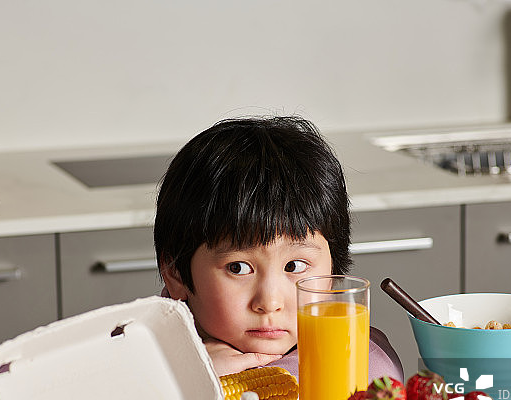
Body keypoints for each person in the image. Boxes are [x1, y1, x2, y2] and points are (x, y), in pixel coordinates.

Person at [154, 115, 403, 382]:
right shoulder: (141, 362)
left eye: (294, 266)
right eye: (238, 268)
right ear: (176, 274)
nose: (269, 303)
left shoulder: (363, 365)